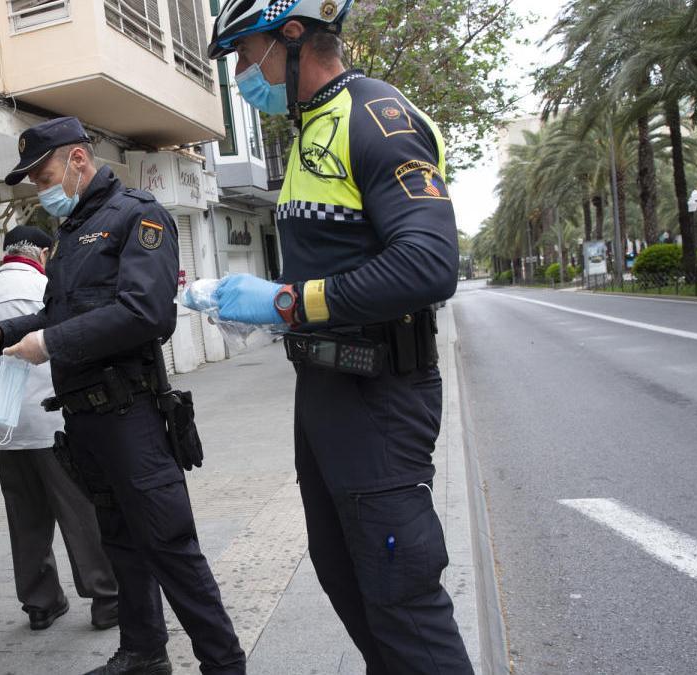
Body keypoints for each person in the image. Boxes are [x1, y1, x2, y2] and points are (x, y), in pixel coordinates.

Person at [206, 1, 473, 672]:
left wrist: (291, 302)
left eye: (246, 53)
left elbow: (428, 263)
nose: (243, 72)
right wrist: (264, 303)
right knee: (345, 576)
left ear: (291, 38)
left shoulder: (375, 117)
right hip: (324, 393)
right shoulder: (309, 130)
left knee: (401, 596)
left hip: (378, 397)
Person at [0, 117, 245, 675]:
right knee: (118, 542)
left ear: (77, 161)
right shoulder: (72, 234)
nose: (40, 189)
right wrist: (4, 334)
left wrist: (52, 341)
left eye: (43, 174)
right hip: (86, 420)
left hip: (131, 416)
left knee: (169, 546)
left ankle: (224, 662)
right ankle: (143, 652)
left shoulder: (139, 215)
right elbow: (59, 314)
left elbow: (146, 313)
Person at [0, 225, 120, 632]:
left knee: (26, 521)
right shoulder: (45, 289)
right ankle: (106, 599)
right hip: (53, 422)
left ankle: (41, 603)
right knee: (80, 513)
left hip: (6, 429)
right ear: (41, 253)